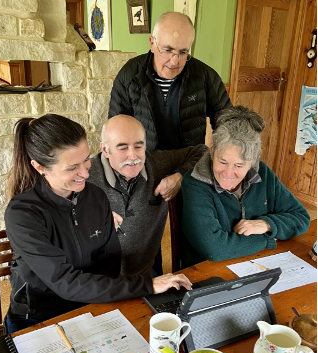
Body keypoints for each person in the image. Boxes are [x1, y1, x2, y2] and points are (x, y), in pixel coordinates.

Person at [4, 114, 192, 334]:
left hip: (91, 306)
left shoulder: (95, 197)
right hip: (40, 317)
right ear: (39, 167)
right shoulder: (22, 213)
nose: (85, 172)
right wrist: (147, 285)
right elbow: (66, 282)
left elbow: (110, 266)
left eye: (85, 160)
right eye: (72, 167)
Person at [181, 106, 311, 267]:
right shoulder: (194, 183)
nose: (228, 173)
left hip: (256, 263)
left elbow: (301, 218)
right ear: (213, 151)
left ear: (253, 160)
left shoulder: (263, 172)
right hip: (206, 272)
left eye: (239, 165)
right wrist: (268, 238)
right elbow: (214, 249)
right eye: (222, 162)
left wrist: (266, 224)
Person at [88, 115, 206, 277]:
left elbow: (203, 152)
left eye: (138, 146)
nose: (133, 156)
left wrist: (179, 177)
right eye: (122, 148)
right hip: (98, 281)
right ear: (105, 150)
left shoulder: (157, 164)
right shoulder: (85, 175)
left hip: (144, 275)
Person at [109, 12, 232, 153]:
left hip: (189, 165)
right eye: (168, 50)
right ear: (152, 43)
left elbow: (228, 125)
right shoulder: (129, 75)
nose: (175, 61)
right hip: (143, 164)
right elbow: (116, 129)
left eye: (183, 52)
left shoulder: (205, 76)